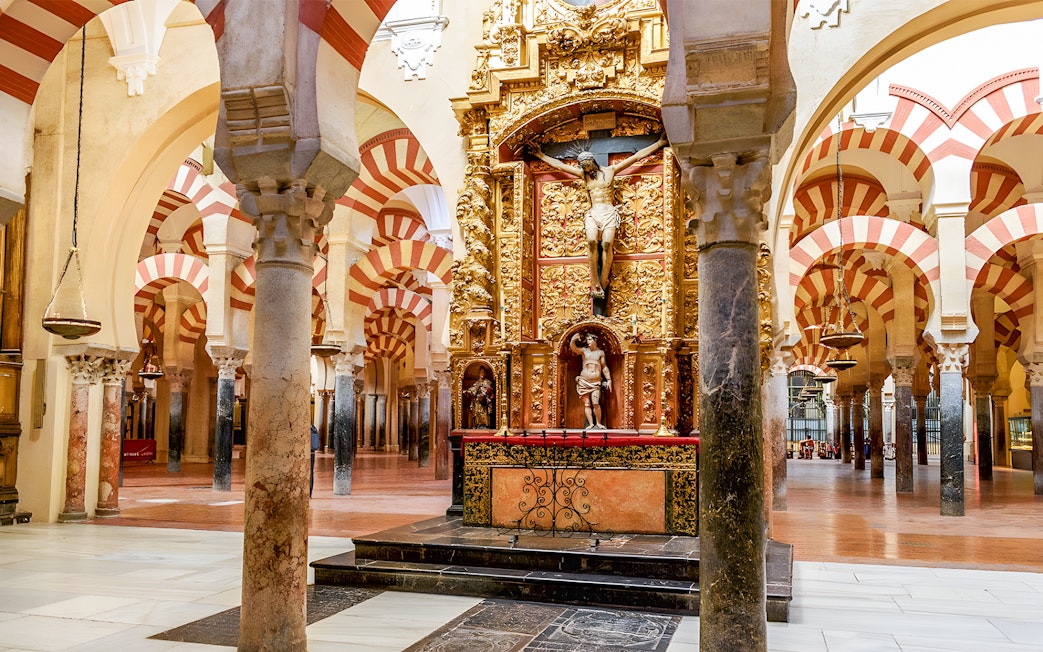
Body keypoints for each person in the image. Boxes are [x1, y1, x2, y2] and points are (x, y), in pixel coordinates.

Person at [530, 136, 668, 298]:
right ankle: (594, 282)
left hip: (609, 212)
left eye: (588, 166)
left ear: (593, 162)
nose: (587, 170)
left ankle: (604, 281)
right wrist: (540, 155)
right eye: (584, 167)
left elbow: (635, 158)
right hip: (593, 213)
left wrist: (659, 143)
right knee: (591, 242)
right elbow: (560, 166)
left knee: (607, 244)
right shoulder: (583, 175)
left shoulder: (610, 171)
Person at [570, 332, 611, 429]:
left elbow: (604, 367)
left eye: (589, 340)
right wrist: (573, 340)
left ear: (595, 340)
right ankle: (591, 424)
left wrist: (609, 379)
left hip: (596, 382)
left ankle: (599, 423)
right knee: (587, 404)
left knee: (595, 403)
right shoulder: (584, 351)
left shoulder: (600, 353)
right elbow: (574, 348)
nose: (588, 342)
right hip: (584, 381)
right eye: (587, 340)